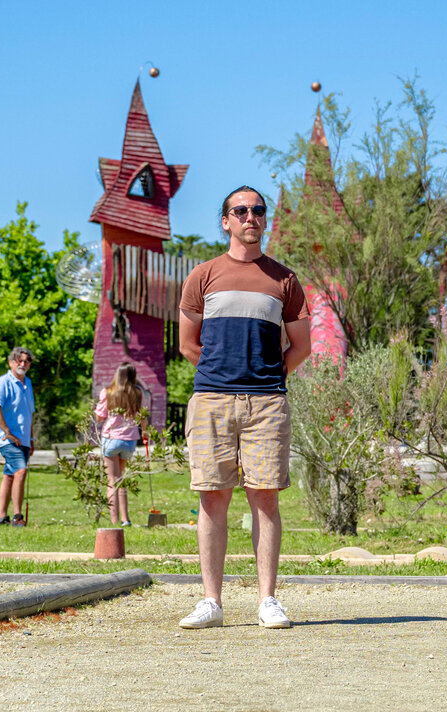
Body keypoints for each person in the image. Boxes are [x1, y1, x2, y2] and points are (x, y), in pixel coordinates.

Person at [177, 186, 312, 630]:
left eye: (257, 210)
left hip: (267, 403)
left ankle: (268, 601)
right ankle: (211, 603)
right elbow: (187, 344)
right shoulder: (202, 275)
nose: (250, 217)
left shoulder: (284, 280)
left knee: (265, 499)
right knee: (212, 499)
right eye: (241, 211)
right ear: (225, 221)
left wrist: (269, 379)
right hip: (212, 399)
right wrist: (224, 373)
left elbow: (301, 346)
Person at [94, 363, 148, 527]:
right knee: (121, 479)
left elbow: (99, 417)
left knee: (112, 480)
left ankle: (114, 520)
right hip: (129, 440)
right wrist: (144, 432)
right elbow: (143, 417)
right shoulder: (138, 393)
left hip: (111, 438)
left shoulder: (108, 392)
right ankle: (126, 519)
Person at [0, 347, 35, 527]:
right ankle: (17, 516)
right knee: (20, 472)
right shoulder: (3, 382)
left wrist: (31, 439)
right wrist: (7, 431)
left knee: (9, 475)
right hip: (7, 439)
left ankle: (1, 516)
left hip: (23, 439)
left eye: (26, 361)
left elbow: (29, 413)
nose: (22, 364)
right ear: (11, 362)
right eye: (18, 360)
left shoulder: (27, 383)